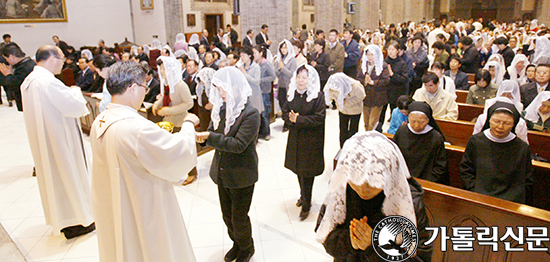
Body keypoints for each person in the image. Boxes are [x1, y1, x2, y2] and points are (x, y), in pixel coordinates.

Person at [90, 61, 199, 262]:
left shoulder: (101, 119)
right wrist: (189, 125)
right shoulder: (135, 128)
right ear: (132, 88)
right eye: (143, 88)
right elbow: (178, 153)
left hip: (117, 202)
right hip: (142, 205)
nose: (144, 92)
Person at [316, 131, 432, 262]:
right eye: (357, 181)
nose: (363, 190)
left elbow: (421, 258)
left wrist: (373, 246)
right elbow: (324, 235)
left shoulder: (408, 201)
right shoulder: (341, 189)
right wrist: (350, 241)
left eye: (373, 183)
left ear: (387, 174)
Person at [21, 45, 95, 239]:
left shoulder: (29, 81)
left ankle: (64, 220)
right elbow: (75, 106)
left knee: (56, 179)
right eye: (62, 59)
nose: (64, 63)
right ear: (52, 59)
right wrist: (76, 90)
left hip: (46, 140)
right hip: (59, 141)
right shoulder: (47, 82)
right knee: (68, 175)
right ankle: (78, 220)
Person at [196, 67, 261, 262]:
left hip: (242, 173)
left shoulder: (250, 113)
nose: (220, 94)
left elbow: (239, 145)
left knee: (239, 217)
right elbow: (211, 131)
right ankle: (237, 244)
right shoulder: (222, 109)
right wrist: (202, 137)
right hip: (223, 171)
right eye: (218, 90)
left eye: (222, 89)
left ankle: (247, 247)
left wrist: (210, 137)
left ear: (234, 87)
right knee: (227, 216)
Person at [460, 101, 533, 204]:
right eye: (496, 121)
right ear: (489, 120)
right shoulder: (476, 141)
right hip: (479, 195)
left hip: (511, 199)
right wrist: (474, 189)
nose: (500, 126)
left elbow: (526, 179)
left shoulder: (522, 147)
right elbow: (466, 169)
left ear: (513, 124)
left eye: (507, 123)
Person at [282, 65, 326, 221]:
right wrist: (290, 118)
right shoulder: (293, 93)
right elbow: (285, 112)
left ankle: (307, 201)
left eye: (304, 77)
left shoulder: (317, 96)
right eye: (299, 77)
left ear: (311, 79)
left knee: (308, 171)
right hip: (296, 138)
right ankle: (303, 195)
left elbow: (319, 118)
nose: (301, 80)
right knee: (298, 169)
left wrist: (298, 119)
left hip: (311, 140)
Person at [394, 101, 449, 184]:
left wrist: (428, 182)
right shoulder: (401, 131)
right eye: (413, 121)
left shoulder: (436, 137)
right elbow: (394, 155)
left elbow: (440, 165)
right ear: (408, 118)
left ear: (428, 120)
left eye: (421, 122)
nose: (416, 125)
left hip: (427, 181)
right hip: (402, 179)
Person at [324, 73, 365, 147]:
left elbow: (362, 97)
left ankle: (353, 147)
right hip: (343, 111)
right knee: (343, 130)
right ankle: (342, 148)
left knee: (353, 130)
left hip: (355, 111)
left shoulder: (355, 86)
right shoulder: (334, 85)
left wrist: (346, 101)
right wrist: (337, 101)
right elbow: (331, 95)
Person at [357, 45, 390, 131]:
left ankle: (370, 139)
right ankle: (367, 137)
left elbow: (386, 80)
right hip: (366, 97)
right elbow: (358, 78)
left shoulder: (383, 65)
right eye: (368, 54)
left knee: (373, 122)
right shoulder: (363, 65)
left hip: (377, 98)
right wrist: (365, 81)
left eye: (372, 54)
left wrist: (373, 82)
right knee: (366, 122)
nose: (370, 57)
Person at [379, 40, 409, 126]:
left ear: (397, 51)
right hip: (384, 91)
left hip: (396, 92)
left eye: (393, 49)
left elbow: (404, 79)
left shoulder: (402, 63)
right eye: (389, 49)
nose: (390, 52)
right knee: (381, 113)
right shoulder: (383, 62)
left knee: (395, 114)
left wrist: (392, 74)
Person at [0, 43, 36, 111]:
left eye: (6, 59)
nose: (7, 61)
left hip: (30, 104)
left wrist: (8, 74)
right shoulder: (29, 63)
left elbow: (13, 85)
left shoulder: (23, 68)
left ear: (12, 56)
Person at [253, 45, 276, 140]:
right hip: (256, 92)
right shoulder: (253, 64)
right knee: (257, 113)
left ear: (261, 53)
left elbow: (273, 77)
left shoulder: (266, 64)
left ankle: (266, 132)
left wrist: (260, 80)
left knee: (265, 113)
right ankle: (259, 132)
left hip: (264, 91)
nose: (253, 55)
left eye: (255, 53)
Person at [275, 40, 297, 132]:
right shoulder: (279, 59)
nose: (283, 50)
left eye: (285, 47)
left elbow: (292, 74)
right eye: (282, 47)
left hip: (289, 86)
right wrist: (279, 68)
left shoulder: (292, 60)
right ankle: (286, 120)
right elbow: (275, 72)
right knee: (281, 103)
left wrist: (282, 68)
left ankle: (287, 123)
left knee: (287, 105)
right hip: (281, 86)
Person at [239, 46, 264, 114]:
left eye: (244, 55)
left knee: (254, 113)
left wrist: (245, 74)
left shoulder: (256, 67)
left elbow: (256, 81)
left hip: (254, 94)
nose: (242, 58)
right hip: (244, 95)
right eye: (241, 56)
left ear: (249, 55)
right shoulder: (240, 67)